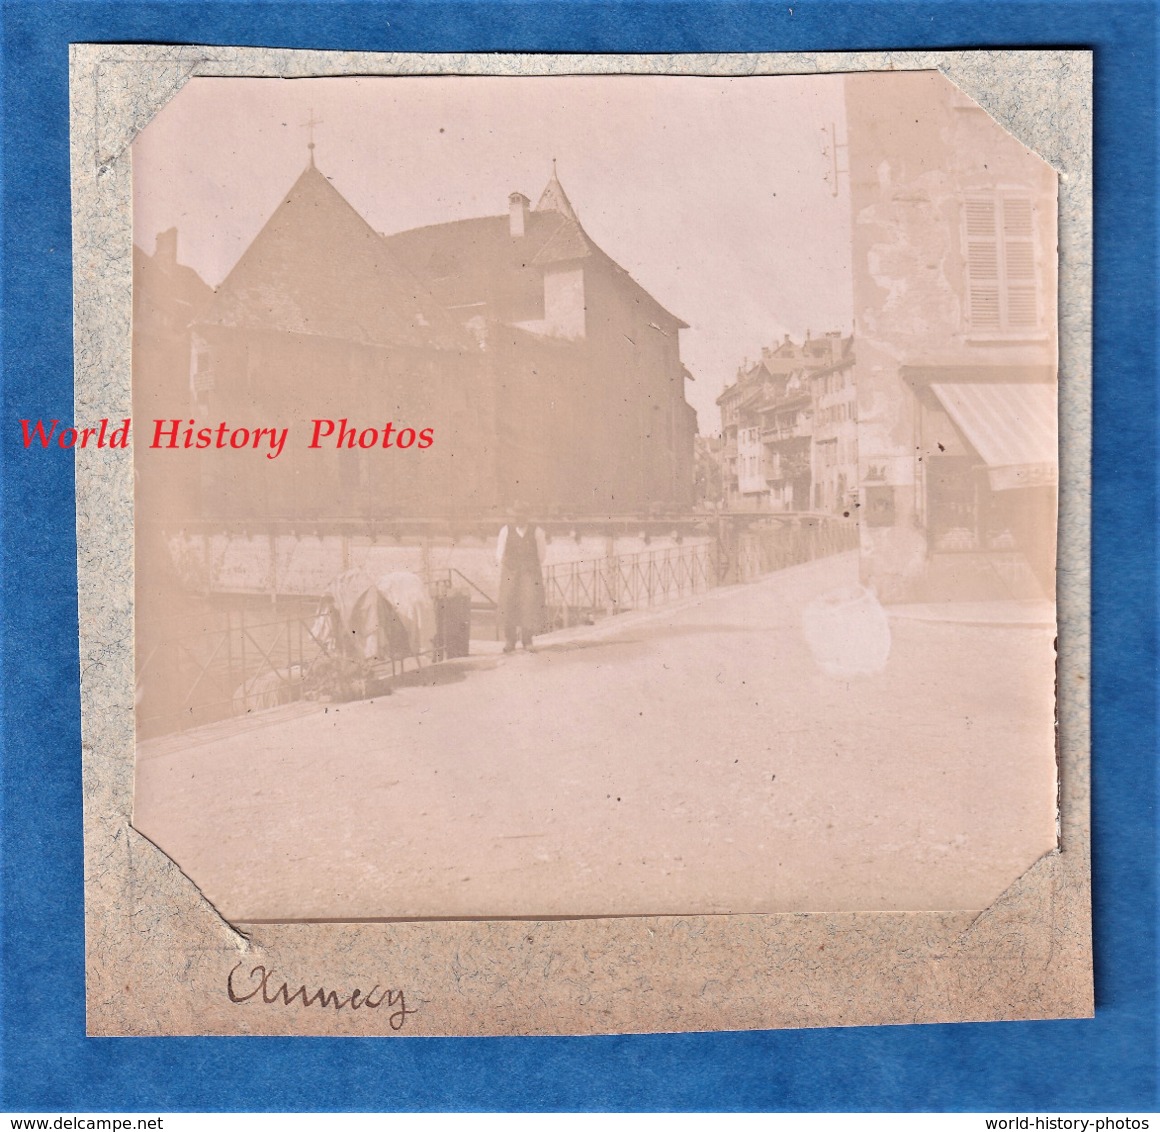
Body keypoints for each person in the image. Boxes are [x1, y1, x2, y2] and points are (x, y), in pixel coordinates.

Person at [496, 503, 547, 653]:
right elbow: (499, 554)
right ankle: (510, 641)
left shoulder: (537, 531)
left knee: (529, 603)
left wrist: (529, 566)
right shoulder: (505, 530)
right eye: (515, 517)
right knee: (508, 603)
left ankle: (527, 640)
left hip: (529, 573)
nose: (518, 520)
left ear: (527, 517)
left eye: (521, 517)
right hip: (510, 573)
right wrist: (510, 566)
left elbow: (541, 555)